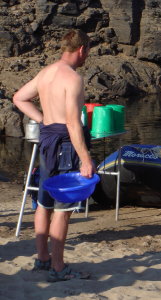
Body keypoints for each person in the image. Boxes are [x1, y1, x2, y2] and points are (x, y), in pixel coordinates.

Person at [13, 29, 95, 282]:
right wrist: (85, 159)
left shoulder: (46, 72)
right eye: (87, 52)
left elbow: (19, 98)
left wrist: (43, 120)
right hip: (65, 144)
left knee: (44, 203)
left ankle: (42, 259)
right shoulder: (72, 78)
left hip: (48, 139)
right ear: (81, 50)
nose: (86, 57)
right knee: (63, 208)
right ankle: (58, 267)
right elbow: (72, 123)